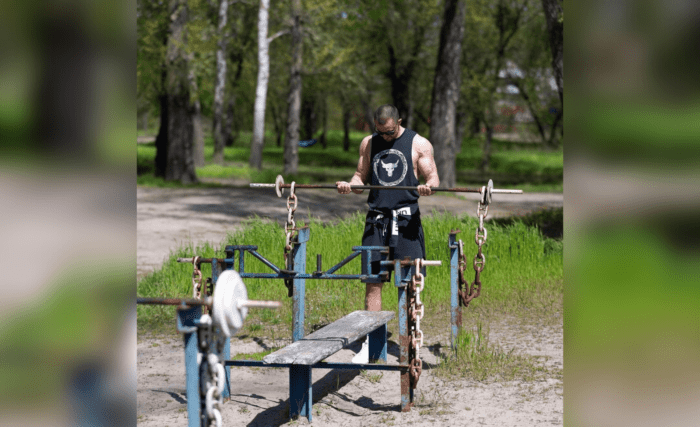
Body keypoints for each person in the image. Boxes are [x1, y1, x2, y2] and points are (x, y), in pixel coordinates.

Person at [336, 104, 439, 363]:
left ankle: (408, 343)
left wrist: (428, 187)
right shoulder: (369, 143)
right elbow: (361, 177)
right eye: (381, 132)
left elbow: (434, 178)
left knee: (409, 283)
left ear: (399, 122)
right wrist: (350, 186)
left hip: (407, 223)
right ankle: (372, 345)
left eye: (390, 133)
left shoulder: (419, 144)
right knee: (373, 283)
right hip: (377, 221)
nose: (385, 137)